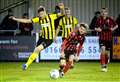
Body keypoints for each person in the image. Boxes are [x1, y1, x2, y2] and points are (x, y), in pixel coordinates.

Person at [10, 6, 57, 70]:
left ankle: (26, 65)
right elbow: (26, 21)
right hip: (42, 38)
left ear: (45, 12)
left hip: (49, 39)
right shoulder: (39, 19)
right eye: (40, 14)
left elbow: (62, 14)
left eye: (42, 13)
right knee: (35, 51)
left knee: (37, 49)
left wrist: (62, 9)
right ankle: (26, 65)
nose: (41, 15)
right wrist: (15, 19)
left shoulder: (51, 16)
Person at [95, 8, 118, 72]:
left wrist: (112, 29)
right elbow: (95, 28)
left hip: (109, 38)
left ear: (107, 13)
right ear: (101, 13)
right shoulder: (98, 20)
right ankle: (103, 65)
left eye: (105, 12)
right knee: (103, 50)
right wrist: (97, 29)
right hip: (102, 38)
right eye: (102, 12)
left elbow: (116, 25)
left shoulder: (110, 19)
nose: (103, 13)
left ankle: (106, 62)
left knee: (107, 54)